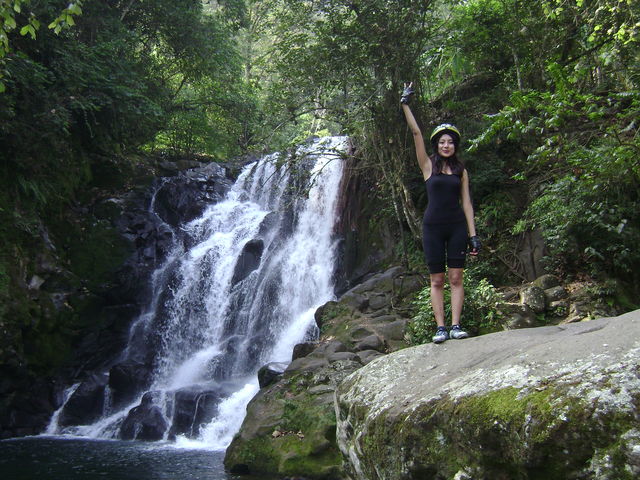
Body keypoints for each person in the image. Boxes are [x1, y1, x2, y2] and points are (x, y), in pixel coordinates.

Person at [400, 82, 481, 343]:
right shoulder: (427, 166)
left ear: (455, 146)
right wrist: (405, 104)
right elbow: (415, 133)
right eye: (442, 142)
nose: (446, 146)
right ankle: (440, 328)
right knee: (437, 280)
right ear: (437, 145)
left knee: (456, 277)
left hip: (456, 226)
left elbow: (466, 203)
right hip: (433, 227)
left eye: (451, 142)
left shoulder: (461, 171)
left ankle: (456, 325)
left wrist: (473, 235)